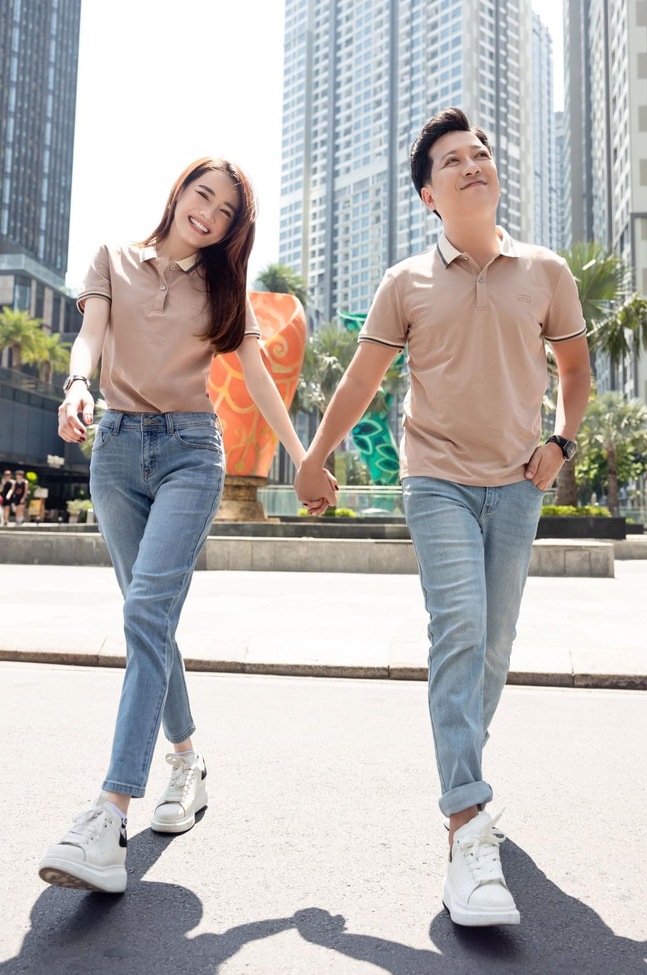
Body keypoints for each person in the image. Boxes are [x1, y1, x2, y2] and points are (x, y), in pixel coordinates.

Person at [295, 108, 591, 927]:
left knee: (494, 645)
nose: (472, 164)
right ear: (429, 193)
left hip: (519, 482)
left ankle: (465, 766)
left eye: (481, 153)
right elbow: (360, 382)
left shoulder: (546, 271)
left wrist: (561, 442)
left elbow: (574, 369)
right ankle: (466, 822)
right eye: (453, 160)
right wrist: (315, 458)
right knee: (458, 628)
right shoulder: (406, 282)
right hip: (436, 482)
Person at [39, 156, 336, 895]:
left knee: (146, 610)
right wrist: (76, 385)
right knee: (150, 619)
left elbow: (258, 377)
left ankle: (109, 815)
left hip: (190, 454)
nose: (210, 213)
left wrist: (304, 457)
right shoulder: (114, 258)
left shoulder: (223, 288)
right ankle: (186, 760)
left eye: (227, 211)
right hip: (115, 451)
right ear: (179, 193)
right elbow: (90, 337)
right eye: (204, 195)